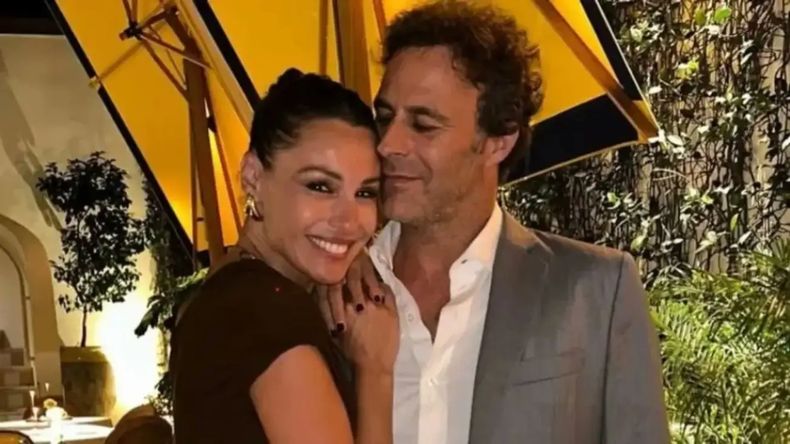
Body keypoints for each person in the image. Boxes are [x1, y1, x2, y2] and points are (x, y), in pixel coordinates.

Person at [323, 2, 671, 443]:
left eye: (423, 125)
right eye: (386, 117)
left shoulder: (594, 289)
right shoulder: (332, 289)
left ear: (498, 143)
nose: (388, 144)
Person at [171, 68, 399, 443]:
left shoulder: (228, 294)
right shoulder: (267, 312)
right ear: (253, 176)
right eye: (320, 186)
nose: (348, 221)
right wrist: (376, 373)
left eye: (365, 193)